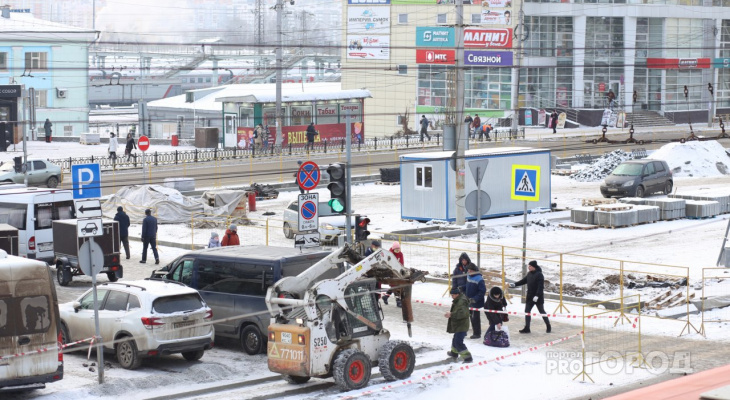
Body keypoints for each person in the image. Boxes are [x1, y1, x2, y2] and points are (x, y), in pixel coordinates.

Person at [510, 260, 551, 333]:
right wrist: (515, 284)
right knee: (527, 312)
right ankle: (527, 328)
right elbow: (523, 281)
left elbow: (540, 287)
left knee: (541, 311)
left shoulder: (539, 275)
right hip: (529, 296)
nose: (529, 267)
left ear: (534, 267)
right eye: (528, 266)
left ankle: (548, 325)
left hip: (538, 297)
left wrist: (537, 296)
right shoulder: (529, 274)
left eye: (530, 266)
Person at [445, 287, 473, 363]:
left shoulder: (461, 302)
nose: (451, 296)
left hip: (462, 325)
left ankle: (468, 357)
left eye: (452, 295)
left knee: (458, 342)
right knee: (455, 339)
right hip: (459, 324)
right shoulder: (459, 299)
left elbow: (463, 314)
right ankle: (454, 353)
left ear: (457, 294)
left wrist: (451, 314)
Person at [465, 264, 486, 339]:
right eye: (468, 270)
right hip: (468, 300)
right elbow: (467, 285)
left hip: (476, 302)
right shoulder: (468, 276)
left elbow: (482, 291)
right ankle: (463, 332)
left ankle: (477, 333)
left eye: (471, 270)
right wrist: (462, 288)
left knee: (475, 318)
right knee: (466, 317)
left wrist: (475, 299)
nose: (469, 272)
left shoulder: (479, 279)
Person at [382, 242, 404, 307]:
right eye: (396, 250)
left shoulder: (400, 254)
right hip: (391, 272)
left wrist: (401, 270)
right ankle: (398, 301)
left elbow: (402, 263)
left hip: (397, 272)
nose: (397, 251)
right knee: (395, 286)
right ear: (393, 249)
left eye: (398, 249)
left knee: (396, 285)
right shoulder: (390, 254)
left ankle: (386, 297)